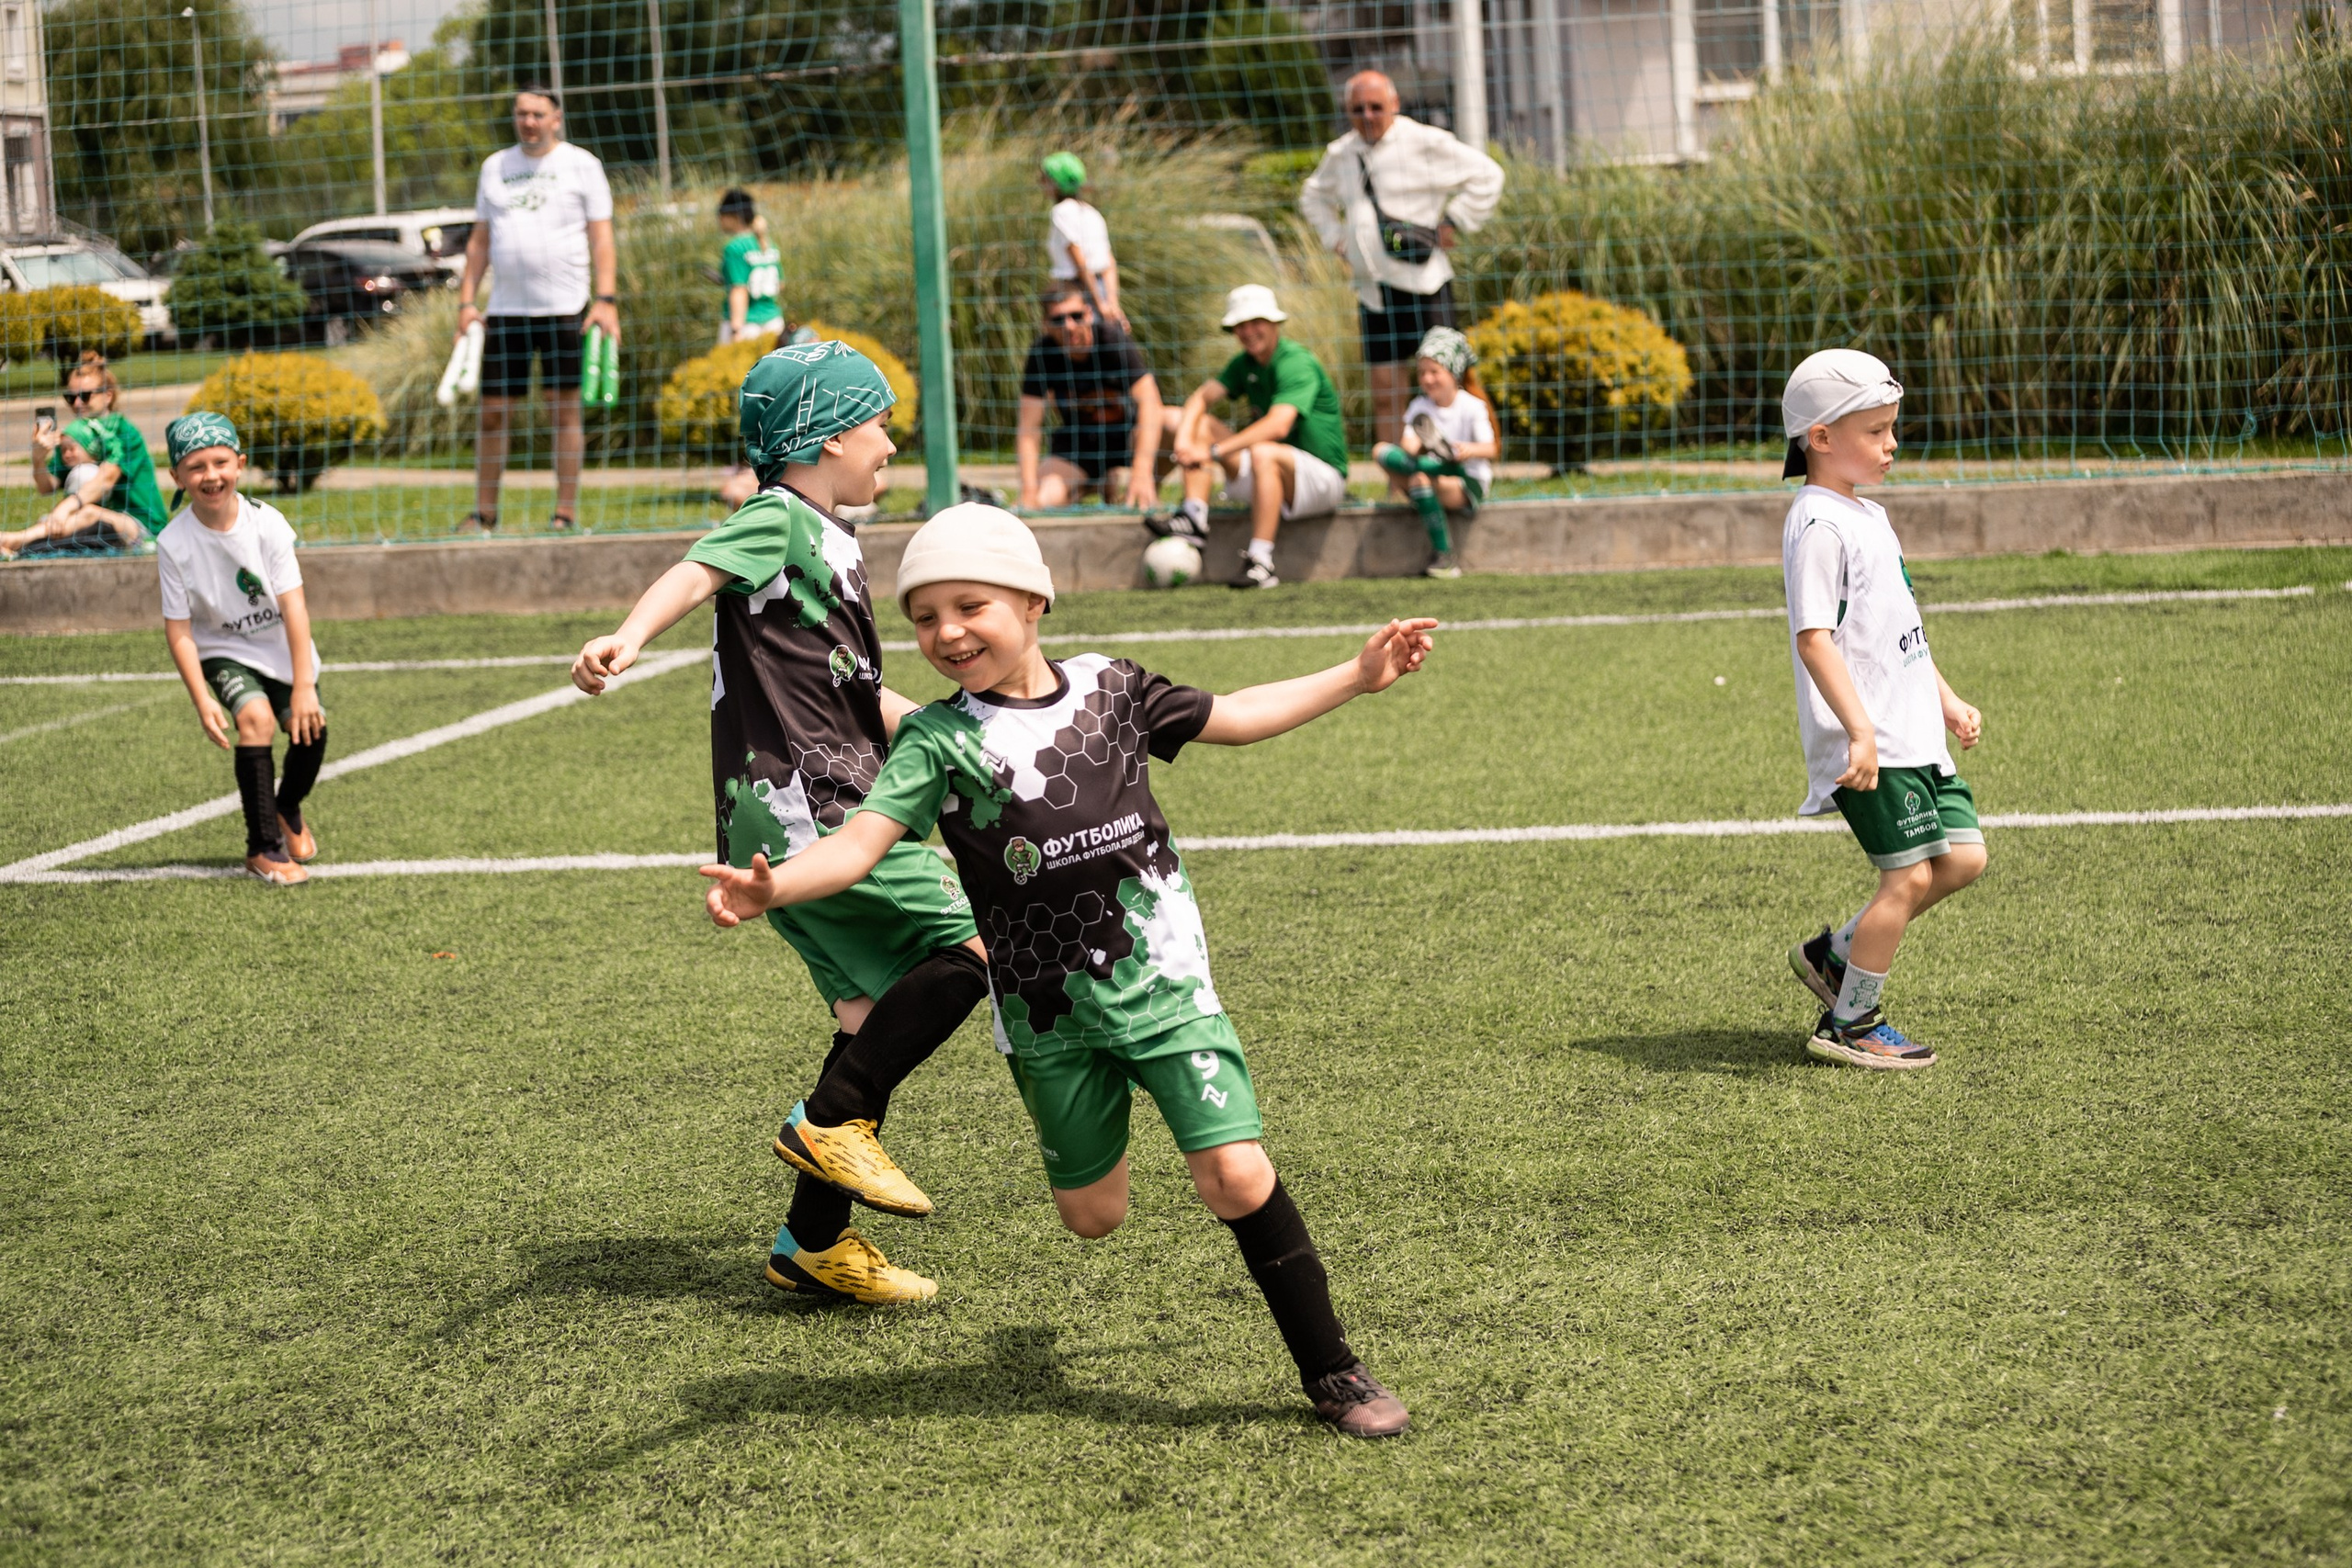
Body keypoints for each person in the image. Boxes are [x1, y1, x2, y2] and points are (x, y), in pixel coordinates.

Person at [698, 502, 1433, 1438]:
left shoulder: (1111, 691)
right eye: (924, 619)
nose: (948, 633)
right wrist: (777, 888)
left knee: (1235, 1178)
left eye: (971, 606)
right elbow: (859, 846)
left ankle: (1334, 1373)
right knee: (1093, 1217)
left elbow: (1238, 716)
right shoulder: (935, 741)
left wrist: (1357, 678)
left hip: (1164, 989)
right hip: (1047, 1017)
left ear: (1034, 600)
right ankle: (1110, 1137)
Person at [570, 340, 988, 1305]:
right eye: (879, 424)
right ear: (829, 436)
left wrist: (951, 737)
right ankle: (830, 1118)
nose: (891, 442)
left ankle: (811, 1243)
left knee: (870, 1020)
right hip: (808, 805)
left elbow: (860, 692)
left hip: (819, 796)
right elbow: (695, 570)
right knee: (980, 944)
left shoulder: (834, 540)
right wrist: (627, 637)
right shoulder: (778, 517)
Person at [1778, 350, 1987, 1070]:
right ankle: (1851, 1021)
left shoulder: (1869, 515)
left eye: (1891, 428)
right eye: (1875, 431)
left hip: (1914, 732)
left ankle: (1836, 956)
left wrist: (1947, 697)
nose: (1891, 444)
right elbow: (1816, 640)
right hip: (1868, 743)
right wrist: (1859, 731)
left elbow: (1902, 627)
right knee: (1910, 879)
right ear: (1821, 437)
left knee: (1962, 858)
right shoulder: (1818, 525)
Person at [155, 413, 328, 887]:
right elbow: (179, 628)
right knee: (256, 719)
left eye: (220, 462)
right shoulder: (173, 543)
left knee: (308, 729)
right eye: (195, 467)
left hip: (280, 647)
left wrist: (305, 686)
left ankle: (287, 805)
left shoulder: (267, 524)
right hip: (223, 649)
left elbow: (294, 607)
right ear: (177, 476)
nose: (210, 476)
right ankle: (263, 849)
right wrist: (201, 698)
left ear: (240, 464)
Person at [1299, 70, 1504, 446]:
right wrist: (1336, 239)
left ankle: (1467, 461)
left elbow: (1488, 175)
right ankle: (1398, 478)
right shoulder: (1341, 153)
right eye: (1357, 109)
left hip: (1425, 283)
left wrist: (1454, 220)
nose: (1368, 116)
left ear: (1394, 105)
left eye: (1376, 107)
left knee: (1448, 382)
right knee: (1384, 389)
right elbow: (1312, 196)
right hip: (1373, 290)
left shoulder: (1423, 142)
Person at [454, 86, 618, 536]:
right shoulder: (495, 166)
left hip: (567, 310)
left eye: (537, 114)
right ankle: (484, 513)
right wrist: (467, 303)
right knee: (491, 414)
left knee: (563, 413)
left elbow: (601, 238)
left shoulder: (582, 165)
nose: (528, 121)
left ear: (556, 118)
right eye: (521, 113)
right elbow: (479, 242)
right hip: (505, 312)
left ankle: (564, 512)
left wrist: (606, 300)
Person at [1147, 286, 1350, 591]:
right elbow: (1202, 398)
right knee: (1181, 420)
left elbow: (1279, 426)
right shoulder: (1245, 363)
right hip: (1267, 473)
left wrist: (1213, 452)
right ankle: (1194, 519)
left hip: (1322, 480)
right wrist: (1184, 442)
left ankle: (1261, 561)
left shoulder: (1296, 362)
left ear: (1274, 323)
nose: (1248, 331)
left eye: (1256, 322)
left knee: (1263, 451)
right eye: (1241, 325)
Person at [1016, 280, 1165, 512]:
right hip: (1078, 446)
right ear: (1046, 324)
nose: (1069, 326)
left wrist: (1142, 469)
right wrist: (1028, 490)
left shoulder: (1112, 340)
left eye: (1076, 316)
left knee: (1174, 421)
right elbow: (1029, 428)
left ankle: (1147, 488)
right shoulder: (1041, 354)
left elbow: (1150, 402)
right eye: (1058, 319)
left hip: (1127, 437)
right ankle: (1092, 483)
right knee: (1043, 499)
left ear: (1089, 313)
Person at [3, 354, 167, 558]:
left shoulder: (123, 431)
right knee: (73, 514)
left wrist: (64, 509)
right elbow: (47, 487)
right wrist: (38, 458)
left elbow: (105, 480)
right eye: (70, 397)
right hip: (92, 522)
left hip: (140, 527)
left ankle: (15, 540)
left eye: (86, 395)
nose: (77, 403)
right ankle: (20, 547)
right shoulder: (75, 434)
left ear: (108, 395)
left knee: (85, 496)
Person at [1371, 326, 1498, 579]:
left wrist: (1468, 450)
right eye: (1422, 373)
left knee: (1419, 477)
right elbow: (1408, 445)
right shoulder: (1420, 406)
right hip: (1430, 471)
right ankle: (1437, 468)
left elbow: (1491, 448)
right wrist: (1420, 446)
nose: (1427, 379)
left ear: (1453, 373)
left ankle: (1446, 558)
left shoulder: (1472, 406)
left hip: (1466, 480)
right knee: (1380, 451)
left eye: (1434, 372)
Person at [1039, 152, 1125, 330]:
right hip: (1101, 289)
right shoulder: (1092, 212)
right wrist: (1112, 303)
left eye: (1044, 178)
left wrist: (1099, 304)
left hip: (1078, 293)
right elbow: (1109, 262)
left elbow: (1079, 262)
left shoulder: (1061, 212)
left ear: (1056, 182)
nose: (1040, 182)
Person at [717, 187, 783, 344]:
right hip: (773, 321)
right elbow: (780, 284)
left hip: (747, 325)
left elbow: (739, 289)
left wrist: (736, 329)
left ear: (732, 217)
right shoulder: (767, 243)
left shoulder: (734, 247)